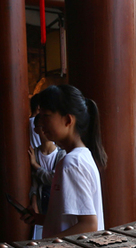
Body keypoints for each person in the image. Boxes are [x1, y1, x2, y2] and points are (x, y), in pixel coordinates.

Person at [22, 84, 106, 237]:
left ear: (68, 120)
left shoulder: (72, 163)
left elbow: (88, 225)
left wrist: (46, 246)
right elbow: (70, 220)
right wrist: (39, 218)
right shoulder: (81, 156)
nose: (40, 123)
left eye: (46, 116)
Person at [28, 113, 66, 240]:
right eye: (41, 125)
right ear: (36, 130)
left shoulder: (61, 154)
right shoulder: (35, 153)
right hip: (41, 202)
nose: (45, 129)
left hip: (57, 202)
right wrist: (34, 202)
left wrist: (35, 165)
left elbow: (53, 178)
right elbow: (34, 181)